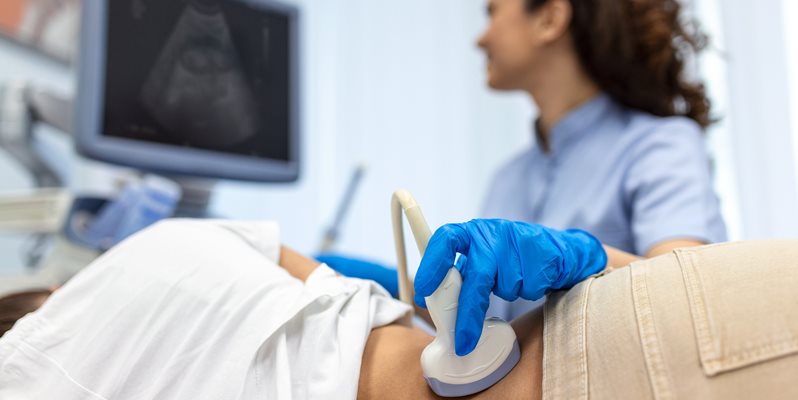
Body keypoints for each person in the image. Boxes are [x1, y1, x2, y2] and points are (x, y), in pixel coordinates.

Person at [1, 220, 797, 399]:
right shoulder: (163, 243)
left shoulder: (39, 355)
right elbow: (394, 313)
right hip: (613, 334)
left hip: (608, 360)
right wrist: (593, 259)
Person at [320, 0, 727, 330]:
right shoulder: (508, 177)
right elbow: (492, 324)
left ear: (549, 18)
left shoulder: (660, 144)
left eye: (492, 11)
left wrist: (583, 258)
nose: (480, 39)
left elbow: (686, 291)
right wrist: (395, 287)